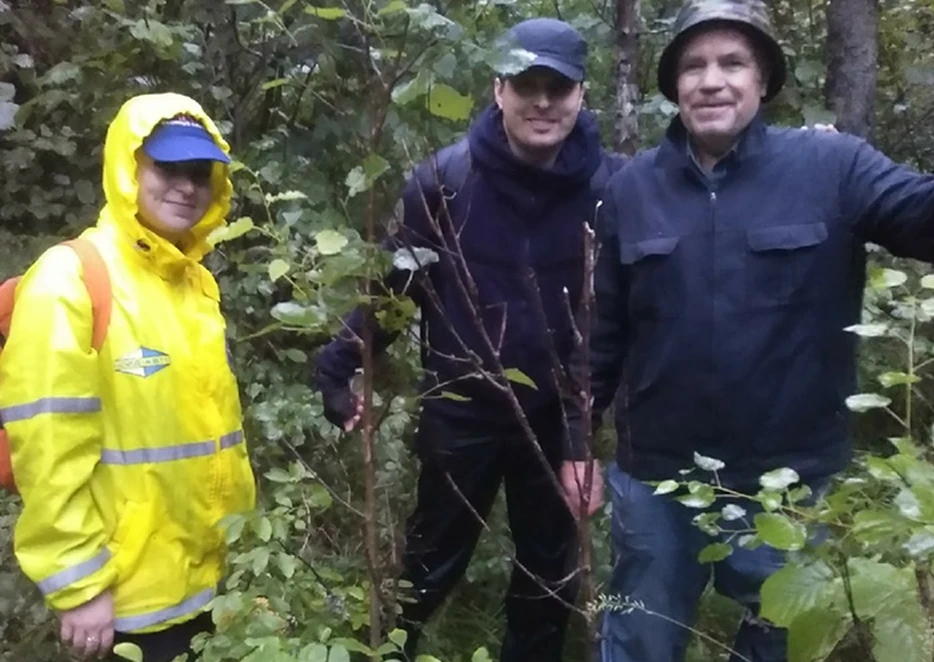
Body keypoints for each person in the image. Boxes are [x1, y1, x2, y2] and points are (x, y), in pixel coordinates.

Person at [591, 1, 934, 661]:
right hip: (656, 480)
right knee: (641, 641)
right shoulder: (631, 190)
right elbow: (601, 335)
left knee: (779, 644)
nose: (711, 80)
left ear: (764, 80)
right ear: (673, 84)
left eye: (733, 63)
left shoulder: (832, 167)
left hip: (787, 484)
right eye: (694, 66)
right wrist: (573, 440)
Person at [313, 18, 621, 662]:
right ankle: (389, 651)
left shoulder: (612, 189)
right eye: (527, 84)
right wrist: (339, 363)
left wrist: (577, 440)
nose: (542, 101)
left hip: (559, 424)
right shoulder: (444, 181)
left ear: (581, 95)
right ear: (498, 89)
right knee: (428, 565)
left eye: (557, 87)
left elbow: (617, 317)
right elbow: (395, 290)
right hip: (461, 410)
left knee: (547, 580)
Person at [0, 93, 256, 661]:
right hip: (124, 600)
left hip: (213, 587)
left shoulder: (194, 286)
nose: (186, 186)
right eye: (167, 167)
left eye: (199, 172)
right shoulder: (71, 280)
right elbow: (46, 449)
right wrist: (77, 583)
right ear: (128, 166)